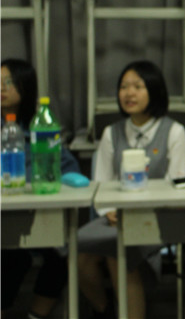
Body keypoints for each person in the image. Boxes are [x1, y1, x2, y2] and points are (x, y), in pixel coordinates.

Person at [77, 60, 185, 319]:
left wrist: (138, 212)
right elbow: (101, 183)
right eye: (124, 87)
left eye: (138, 86)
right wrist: (108, 210)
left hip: (157, 218)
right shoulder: (111, 133)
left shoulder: (174, 132)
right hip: (114, 218)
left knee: (118, 252)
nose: (129, 93)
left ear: (155, 91)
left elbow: (177, 188)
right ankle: (105, 311)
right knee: (79, 253)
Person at [1, 58, 81, 319]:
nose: (1, 88)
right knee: (12, 256)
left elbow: (68, 168)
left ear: (25, 86)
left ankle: (36, 315)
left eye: (8, 82)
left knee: (62, 253)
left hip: (36, 215)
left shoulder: (40, 126)